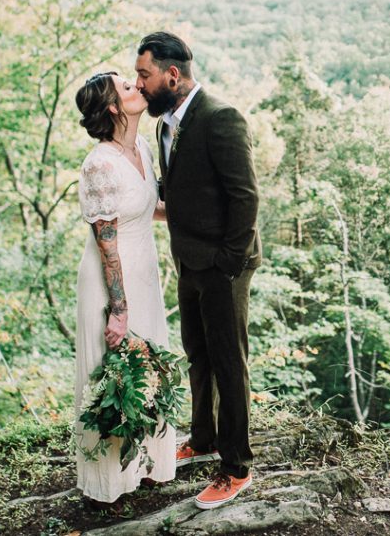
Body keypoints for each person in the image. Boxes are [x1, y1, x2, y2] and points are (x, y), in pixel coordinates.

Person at [135, 31, 261, 510]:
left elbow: (245, 197)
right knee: (198, 354)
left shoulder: (220, 117)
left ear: (172, 74)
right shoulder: (165, 124)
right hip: (189, 261)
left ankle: (235, 466)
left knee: (229, 363)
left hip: (224, 266)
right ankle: (204, 437)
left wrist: (229, 263)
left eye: (144, 75)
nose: (139, 84)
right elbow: (181, 193)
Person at [73, 71, 176, 504]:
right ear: (114, 107)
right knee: (116, 373)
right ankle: (111, 479)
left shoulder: (141, 149)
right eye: (127, 87)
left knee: (148, 370)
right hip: (111, 280)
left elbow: (148, 208)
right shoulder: (100, 162)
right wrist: (119, 309)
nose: (138, 87)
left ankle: (147, 465)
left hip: (145, 272)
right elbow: (106, 240)